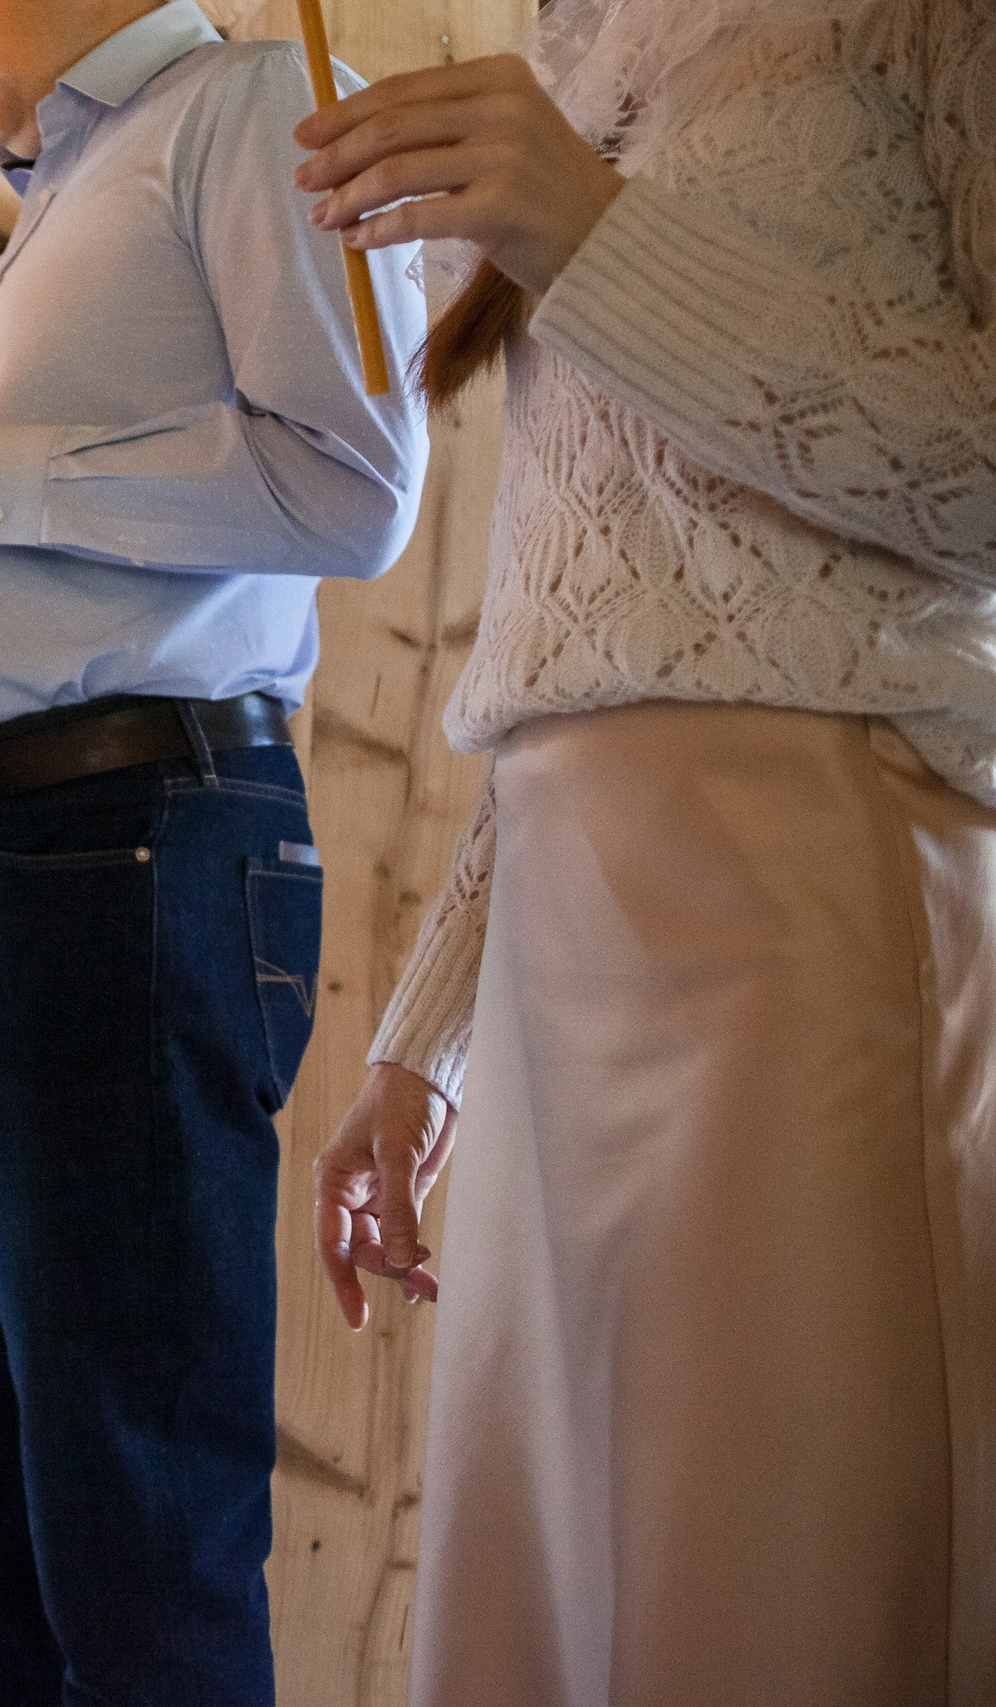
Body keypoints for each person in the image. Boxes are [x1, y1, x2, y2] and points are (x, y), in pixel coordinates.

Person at [298, 3, 995, 1703]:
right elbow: (592, 618)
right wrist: (425, 1040)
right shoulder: (575, 44)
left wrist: (596, 235)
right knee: (547, 1609)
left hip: (805, 902)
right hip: (559, 935)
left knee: (774, 1596)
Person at [0, 1, 427, 1698]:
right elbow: (53, 534)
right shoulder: (66, 189)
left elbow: (350, 487)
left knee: (134, 1520)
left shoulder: (251, 102)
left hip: (115, 851)